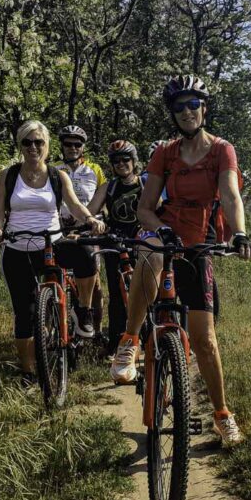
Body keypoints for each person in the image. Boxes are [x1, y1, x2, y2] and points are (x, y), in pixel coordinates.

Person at [110, 75, 251, 447]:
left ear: (204, 109)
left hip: (200, 239)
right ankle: (129, 341)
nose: (187, 112)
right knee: (148, 257)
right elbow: (145, 208)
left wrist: (239, 233)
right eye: (179, 106)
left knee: (205, 339)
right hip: (164, 230)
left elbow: (230, 195)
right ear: (172, 114)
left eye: (193, 104)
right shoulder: (166, 153)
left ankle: (222, 414)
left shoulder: (223, 150)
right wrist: (160, 229)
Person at [0, 120, 106, 384]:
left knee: (86, 256)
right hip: (17, 246)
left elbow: (75, 206)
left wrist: (90, 220)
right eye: (27, 142)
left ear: (47, 145)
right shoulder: (8, 175)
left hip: (52, 243)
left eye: (38, 142)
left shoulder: (57, 176)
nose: (33, 147)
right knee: (25, 312)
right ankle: (29, 372)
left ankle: (84, 311)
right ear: (20, 145)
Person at [54, 125, 109, 340]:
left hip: (87, 227)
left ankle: (96, 329)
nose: (72, 148)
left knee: (93, 281)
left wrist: (87, 221)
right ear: (62, 146)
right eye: (68, 144)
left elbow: (99, 199)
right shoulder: (54, 169)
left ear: (83, 147)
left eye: (77, 144)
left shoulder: (95, 169)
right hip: (60, 228)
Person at [97, 139, 144, 357]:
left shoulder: (145, 184)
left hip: (141, 241)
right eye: (116, 160)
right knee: (116, 293)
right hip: (114, 242)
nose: (121, 163)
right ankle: (116, 341)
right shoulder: (109, 187)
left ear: (134, 161)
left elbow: (160, 210)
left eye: (126, 159)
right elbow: (90, 210)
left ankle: (147, 336)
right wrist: (90, 222)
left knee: (144, 291)